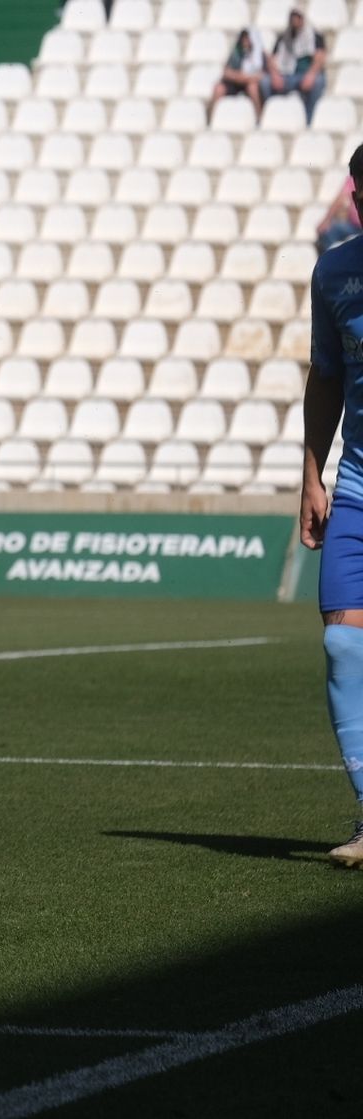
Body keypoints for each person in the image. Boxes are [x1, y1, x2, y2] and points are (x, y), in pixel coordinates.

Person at [301, 144, 363, 868]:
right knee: (344, 642)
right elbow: (326, 377)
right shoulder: (336, 271)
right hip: (357, 483)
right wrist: (312, 475)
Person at [261, 6, 326, 124]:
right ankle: (269, 116)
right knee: (265, 82)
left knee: (318, 81)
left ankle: (309, 119)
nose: (295, 20)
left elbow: (320, 57)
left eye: (298, 17)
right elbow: (273, 58)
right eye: (293, 17)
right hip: (286, 75)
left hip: (305, 75)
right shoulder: (283, 37)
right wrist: (275, 75)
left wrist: (310, 75)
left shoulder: (314, 36)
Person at [211, 27, 265, 119]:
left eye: (247, 38)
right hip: (235, 83)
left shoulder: (259, 55)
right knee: (219, 89)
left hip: (249, 84)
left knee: (253, 88)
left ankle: (259, 118)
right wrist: (241, 77)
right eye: (243, 38)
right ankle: (211, 118)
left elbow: (261, 75)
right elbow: (227, 72)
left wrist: (243, 78)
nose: (245, 41)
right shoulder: (236, 53)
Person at [316, 173, 361, 252]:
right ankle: (329, 260)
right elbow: (340, 198)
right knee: (330, 231)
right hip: (354, 226)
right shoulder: (354, 177)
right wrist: (326, 220)